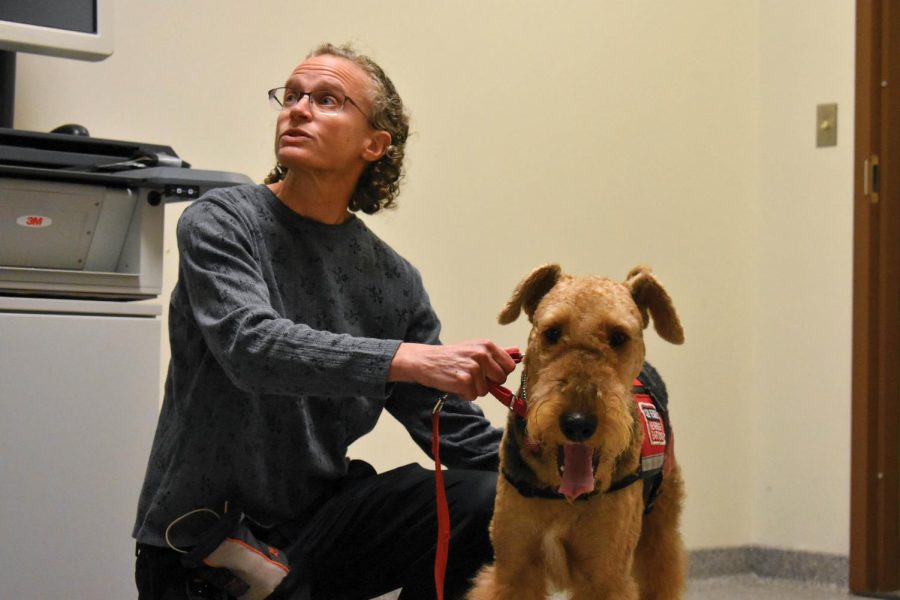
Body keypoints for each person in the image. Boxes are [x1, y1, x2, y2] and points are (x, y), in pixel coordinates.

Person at [132, 42, 517, 600]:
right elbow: (252, 347)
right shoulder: (221, 222)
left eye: (327, 99)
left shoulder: (394, 280)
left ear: (375, 144)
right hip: (202, 544)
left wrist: (570, 470)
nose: (298, 109)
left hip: (324, 525)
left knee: (489, 501)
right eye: (290, 96)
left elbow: (451, 430)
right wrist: (409, 359)